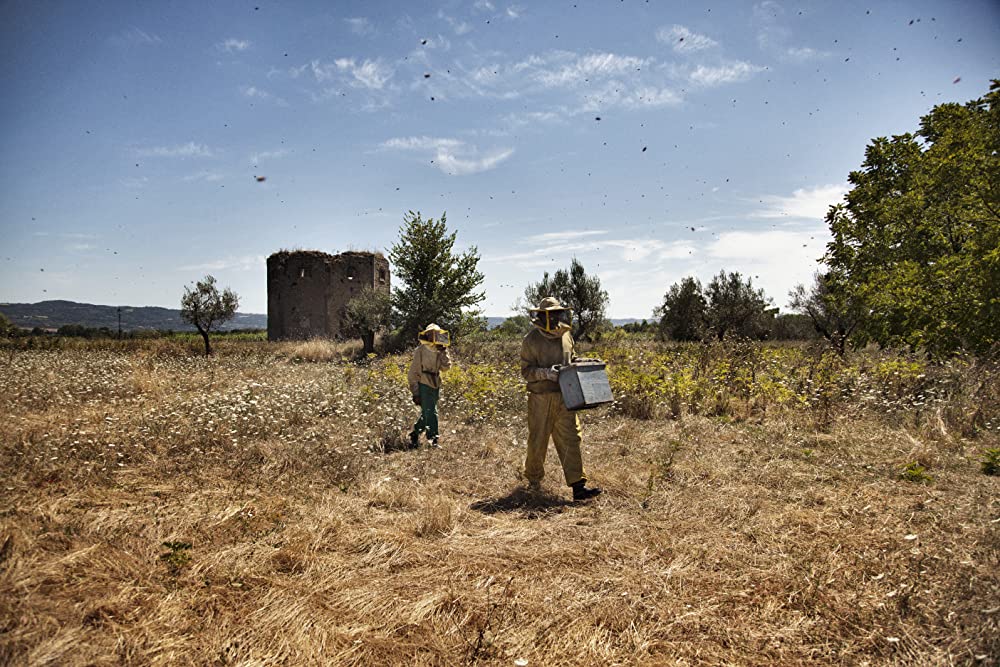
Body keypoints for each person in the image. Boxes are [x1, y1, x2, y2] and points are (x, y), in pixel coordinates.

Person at [520, 297, 602, 501]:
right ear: (541, 316)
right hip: (540, 398)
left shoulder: (566, 336)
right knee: (538, 441)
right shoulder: (531, 340)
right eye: (552, 314)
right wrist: (546, 373)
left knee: (571, 439)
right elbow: (526, 371)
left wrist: (584, 363)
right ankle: (533, 483)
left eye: (558, 313)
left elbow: (571, 360)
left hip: (566, 395)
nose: (556, 318)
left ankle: (578, 487)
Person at [408, 323, 452, 448]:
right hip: (424, 383)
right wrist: (415, 392)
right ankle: (433, 440)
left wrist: (443, 352)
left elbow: (446, 368)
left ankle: (415, 434)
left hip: (436, 383)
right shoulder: (420, 350)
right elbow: (413, 372)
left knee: (427, 413)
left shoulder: (440, 349)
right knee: (432, 412)